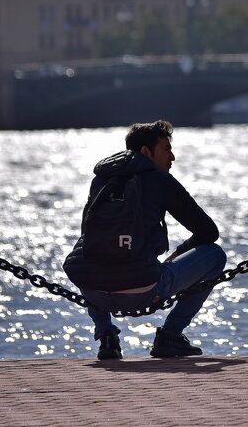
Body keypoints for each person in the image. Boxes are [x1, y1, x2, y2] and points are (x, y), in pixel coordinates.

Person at [63, 120, 226, 359]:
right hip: (144, 289)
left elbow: (88, 239)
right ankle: (170, 336)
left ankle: (106, 335)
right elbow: (208, 233)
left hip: (94, 293)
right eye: (166, 150)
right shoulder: (160, 180)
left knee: (91, 258)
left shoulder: (101, 180)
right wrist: (179, 253)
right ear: (146, 152)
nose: (172, 157)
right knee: (215, 255)